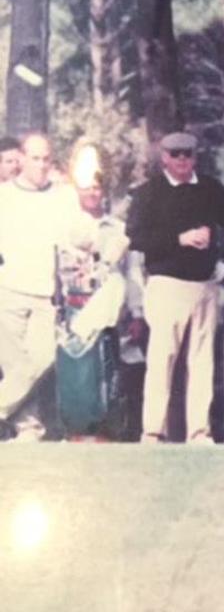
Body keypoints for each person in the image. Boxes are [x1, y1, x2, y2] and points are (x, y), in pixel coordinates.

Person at [126, 131, 224, 444]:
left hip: (204, 286)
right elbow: (136, 237)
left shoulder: (209, 189)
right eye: (175, 154)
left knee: (202, 360)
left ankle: (199, 431)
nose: (182, 161)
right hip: (166, 284)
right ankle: (153, 430)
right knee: (161, 359)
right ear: (164, 157)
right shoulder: (149, 192)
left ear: (195, 157)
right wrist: (178, 239)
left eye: (188, 155)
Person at [0, 134, 97, 440]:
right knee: (18, 366)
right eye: (35, 158)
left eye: (46, 159)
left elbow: (82, 234)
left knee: (42, 358)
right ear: (22, 159)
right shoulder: (4, 196)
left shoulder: (63, 196)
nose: (41, 165)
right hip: (7, 292)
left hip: (45, 295)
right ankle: (29, 430)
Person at [55, 162, 136, 439]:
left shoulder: (118, 229)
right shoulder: (66, 225)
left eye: (96, 186)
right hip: (72, 308)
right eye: (86, 186)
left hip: (108, 314)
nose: (92, 192)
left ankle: (104, 433)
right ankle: (75, 432)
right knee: (75, 374)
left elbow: (132, 272)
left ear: (104, 190)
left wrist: (137, 312)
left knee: (106, 373)